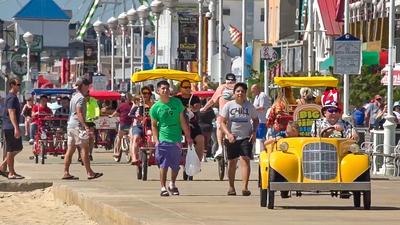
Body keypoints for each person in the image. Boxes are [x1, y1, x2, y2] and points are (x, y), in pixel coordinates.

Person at [150, 80, 192, 197]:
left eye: (167, 88)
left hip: (176, 138)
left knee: (175, 165)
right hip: (163, 139)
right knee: (163, 164)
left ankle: (172, 183)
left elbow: (182, 121)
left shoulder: (177, 103)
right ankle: (162, 187)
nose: (165, 90)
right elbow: (154, 125)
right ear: (158, 91)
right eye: (163, 89)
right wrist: (156, 140)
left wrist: (188, 137)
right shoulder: (155, 108)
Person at [220, 82, 259, 196]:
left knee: (245, 159)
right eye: (238, 91)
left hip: (245, 137)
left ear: (245, 93)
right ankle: (231, 187)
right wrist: (228, 134)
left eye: (242, 91)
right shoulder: (229, 105)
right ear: (234, 93)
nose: (240, 93)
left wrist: (254, 131)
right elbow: (222, 122)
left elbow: (256, 120)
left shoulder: (249, 106)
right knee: (232, 162)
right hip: (232, 137)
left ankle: (245, 187)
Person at [63, 77, 103, 180]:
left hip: (70, 125)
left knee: (70, 149)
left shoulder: (74, 96)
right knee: (84, 148)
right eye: (88, 86)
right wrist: (85, 125)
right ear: (84, 86)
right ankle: (89, 172)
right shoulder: (81, 98)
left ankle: (66, 172)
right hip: (77, 125)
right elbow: (79, 112)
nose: (89, 88)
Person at [200, 73, 237, 158]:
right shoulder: (221, 87)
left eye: (232, 80)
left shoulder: (238, 88)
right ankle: (220, 147)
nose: (231, 82)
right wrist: (204, 108)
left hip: (235, 114)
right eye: (229, 80)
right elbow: (213, 100)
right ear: (226, 80)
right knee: (219, 125)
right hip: (223, 113)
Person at [176, 80, 206, 162]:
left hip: (192, 125)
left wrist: (193, 108)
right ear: (180, 88)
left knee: (200, 139)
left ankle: (198, 161)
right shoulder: (176, 99)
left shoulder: (194, 97)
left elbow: (197, 107)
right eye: (185, 87)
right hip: (178, 125)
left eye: (189, 87)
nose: (187, 89)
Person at [0, 78, 24, 179]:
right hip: (10, 127)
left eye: (20, 84)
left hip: (10, 126)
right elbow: (11, 112)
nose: (19, 86)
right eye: (18, 85)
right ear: (12, 85)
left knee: (17, 148)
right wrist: (16, 128)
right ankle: (10, 173)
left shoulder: (13, 97)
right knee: (11, 150)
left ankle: (7, 168)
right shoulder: (11, 98)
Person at [129, 86, 154, 164]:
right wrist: (137, 117)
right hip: (138, 126)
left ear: (150, 94)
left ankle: (151, 156)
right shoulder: (137, 105)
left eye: (147, 93)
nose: (145, 95)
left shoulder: (154, 105)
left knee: (153, 139)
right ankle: (134, 158)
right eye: (144, 93)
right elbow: (130, 114)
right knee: (135, 138)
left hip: (151, 126)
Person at [109, 94, 133, 160]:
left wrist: (111, 116)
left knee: (119, 137)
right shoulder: (133, 105)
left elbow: (115, 113)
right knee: (131, 138)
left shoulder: (121, 105)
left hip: (123, 123)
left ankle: (116, 152)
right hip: (131, 124)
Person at [250, 84, 270, 158]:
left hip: (262, 121)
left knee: (262, 138)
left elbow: (262, 108)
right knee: (255, 137)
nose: (252, 92)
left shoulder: (262, 96)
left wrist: (252, 110)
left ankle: (263, 154)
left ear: (257, 89)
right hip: (257, 121)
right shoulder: (256, 97)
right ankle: (255, 153)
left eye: (253, 90)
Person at [84, 96, 100, 161]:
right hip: (83, 121)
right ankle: (81, 155)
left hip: (91, 121)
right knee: (83, 138)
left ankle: (90, 153)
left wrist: (96, 115)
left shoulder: (93, 100)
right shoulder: (81, 100)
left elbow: (96, 108)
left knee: (91, 138)